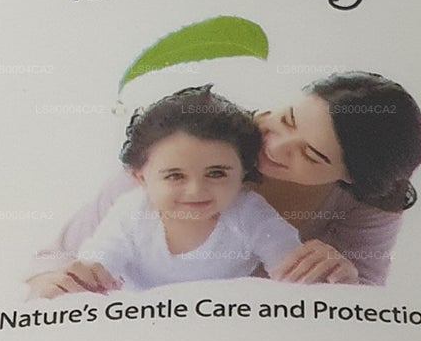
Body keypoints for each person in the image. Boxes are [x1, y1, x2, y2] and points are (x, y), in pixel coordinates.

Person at [28, 71, 421, 296]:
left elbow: (367, 298)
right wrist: (55, 282)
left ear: (351, 179)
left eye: (311, 155)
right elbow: (56, 261)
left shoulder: (367, 204)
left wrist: (345, 278)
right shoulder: (195, 148)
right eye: (287, 118)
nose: (276, 145)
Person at [45, 85, 303, 293]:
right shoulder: (132, 213)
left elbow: (294, 271)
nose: (196, 190)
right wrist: (86, 277)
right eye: (175, 176)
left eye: (216, 173)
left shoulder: (249, 212)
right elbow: (96, 265)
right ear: (140, 178)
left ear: (243, 172)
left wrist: (307, 270)